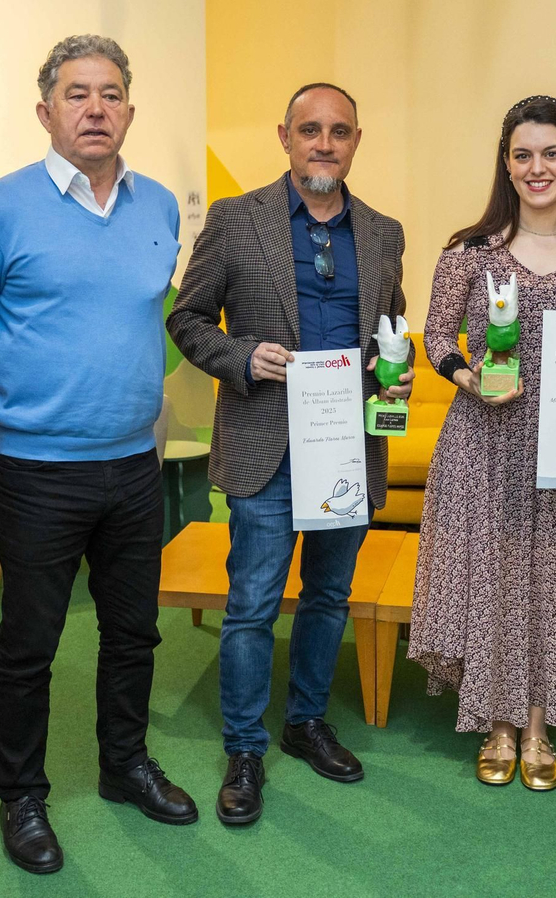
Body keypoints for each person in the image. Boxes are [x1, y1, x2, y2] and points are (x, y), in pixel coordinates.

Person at [0, 35, 194, 876]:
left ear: (131, 108)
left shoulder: (159, 205)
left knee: (133, 634)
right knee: (30, 643)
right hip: (38, 470)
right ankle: (22, 796)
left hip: (134, 463)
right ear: (45, 110)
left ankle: (125, 766)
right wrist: (29, 411)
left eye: (112, 93)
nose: (96, 108)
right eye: (77, 93)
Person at [167, 82, 412, 825]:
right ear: (284, 136)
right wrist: (243, 357)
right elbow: (186, 316)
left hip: (346, 443)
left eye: (339, 131)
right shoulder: (238, 221)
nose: (324, 143)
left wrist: (393, 385)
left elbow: (393, 325)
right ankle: (244, 747)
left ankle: (305, 722)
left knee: (330, 595)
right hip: (265, 439)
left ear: (357, 140)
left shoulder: (383, 231)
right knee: (251, 605)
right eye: (310, 130)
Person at [408, 95, 556, 791]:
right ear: (507, 165)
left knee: (554, 581)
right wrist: (468, 377)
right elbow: (437, 338)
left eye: (551, 153)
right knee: (496, 577)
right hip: (485, 443)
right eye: (522, 154)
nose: (537, 168)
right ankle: (497, 725)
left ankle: (538, 725)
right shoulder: (468, 254)